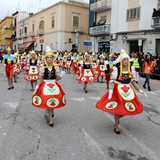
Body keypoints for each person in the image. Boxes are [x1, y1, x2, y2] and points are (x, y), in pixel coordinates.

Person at [96, 49, 147, 134]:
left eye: (127, 59)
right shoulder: (116, 69)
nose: (125, 61)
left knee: (128, 108)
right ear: (121, 60)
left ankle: (118, 119)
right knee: (118, 109)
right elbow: (112, 81)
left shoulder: (131, 68)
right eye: (124, 59)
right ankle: (116, 126)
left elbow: (133, 81)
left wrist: (140, 90)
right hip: (118, 90)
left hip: (128, 91)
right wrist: (111, 91)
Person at [32, 46, 66, 127]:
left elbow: (57, 78)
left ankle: (52, 111)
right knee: (47, 101)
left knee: (53, 100)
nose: (49, 59)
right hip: (45, 86)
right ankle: (51, 119)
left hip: (54, 85)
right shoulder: (42, 68)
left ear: (53, 58)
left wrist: (61, 76)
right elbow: (41, 79)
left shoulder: (56, 67)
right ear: (46, 59)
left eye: (51, 57)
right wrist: (36, 87)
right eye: (48, 57)